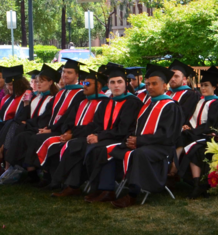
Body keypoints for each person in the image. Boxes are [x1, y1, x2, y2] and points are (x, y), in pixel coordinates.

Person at [109, 64, 183, 208]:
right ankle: (108, 188)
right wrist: (132, 140)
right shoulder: (147, 104)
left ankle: (132, 194)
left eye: (154, 84)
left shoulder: (171, 106)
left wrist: (139, 141)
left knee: (139, 154)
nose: (149, 87)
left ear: (164, 86)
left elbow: (167, 135)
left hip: (162, 147)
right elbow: (137, 128)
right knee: (116, 149)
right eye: (148, 84)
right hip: (145, 144)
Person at [81, 66, 144, 203]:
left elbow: (124, 129)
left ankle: (107, 190)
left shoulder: (132, 102)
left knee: (103, 150)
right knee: (91, 146)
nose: (116, 85)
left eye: (119, 82)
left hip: (125, 138)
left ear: (126, 84)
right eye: (113, 82)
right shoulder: (107, 102)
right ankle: (98, 188)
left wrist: (100, 137)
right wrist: (94, 135)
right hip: (109, 137)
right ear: (108, 85)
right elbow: (97, 124)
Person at [22, 58, 87, 187]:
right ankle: (39, 174)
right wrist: (45, 126)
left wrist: (52, 129)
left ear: (77, 75)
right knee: (27, 135)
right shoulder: (61, 92)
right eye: (64, 72)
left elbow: (69, 116)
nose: (65, 75)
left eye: (69, 72)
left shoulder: (80, 93)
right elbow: (49, 113)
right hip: (54, 127)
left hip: (65, 129)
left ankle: (48, 177)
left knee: (39, 139)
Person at [0, 64, 60, 184]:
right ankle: (21, 169)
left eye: (42, 81)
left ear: (51, 82)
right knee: (17, 128)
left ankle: (28, 171)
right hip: (31, 127)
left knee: (22, 132)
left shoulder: (53, 99)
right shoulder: (34, 98)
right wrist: (26, 105)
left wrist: (27, 124)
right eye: (37, 81)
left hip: (40, 128)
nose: (38, 84)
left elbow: (44, 120)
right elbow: (22, 117)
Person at [178, 66, 218, 198]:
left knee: (194, 147)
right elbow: (192, 118)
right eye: (202, 85)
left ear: (214, 87)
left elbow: (210, 125)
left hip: (208, 136)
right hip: (197, 133)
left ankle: (195, 184)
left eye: (206, 85)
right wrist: (187, 126)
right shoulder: (200, 101)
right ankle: (180, 175)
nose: (203, 88)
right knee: (181, 137)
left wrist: (192, 131)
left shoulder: (217, 103)